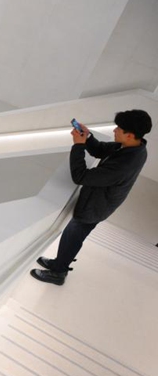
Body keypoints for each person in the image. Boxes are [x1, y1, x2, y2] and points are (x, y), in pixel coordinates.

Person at [31, 110, 151, 286]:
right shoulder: (132, 146)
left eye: (119, 128)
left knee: (72, 236)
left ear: (130, 135)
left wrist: (78, 146)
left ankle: (58, 272)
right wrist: (87, 138)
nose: (115, 130)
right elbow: (101, 150)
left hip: (95, 207)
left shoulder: (125, 163)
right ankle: (59, 263)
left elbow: (80, 176)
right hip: (98, 201)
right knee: (72, 234)